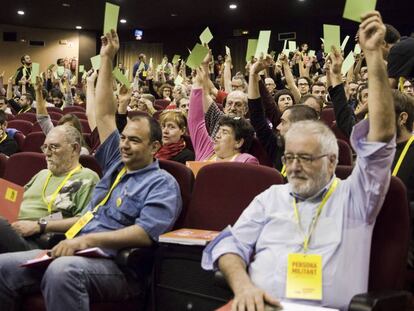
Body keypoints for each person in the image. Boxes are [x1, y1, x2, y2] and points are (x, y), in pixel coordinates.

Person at [202, 11, 396, 310]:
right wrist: (242, 287)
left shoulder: (357, 196)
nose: (293, 166)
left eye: (305, 158)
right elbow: (228, 245)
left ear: (332, 162)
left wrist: (373, 59)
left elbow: (381, 137)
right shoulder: (271, 197)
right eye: (290, 156)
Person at [0, 29, 182, 310]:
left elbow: (145, 233)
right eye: (123, 138)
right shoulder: (115, 167)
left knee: (63, 272)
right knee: (2, 266)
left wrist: (87, 240)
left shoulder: (163, 183)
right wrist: (107, 58)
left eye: (134, 140)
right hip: (76, 249)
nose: (124, 144)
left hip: (117, 267)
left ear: (155, 147)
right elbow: (107, 114)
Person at [0, 124, 99, 253]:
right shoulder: (42, 174)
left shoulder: (87, 178)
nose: (46, 153)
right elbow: (14, 201)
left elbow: (84, 220)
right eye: (45, 147)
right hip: (10, 227)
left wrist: (38, 226)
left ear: (74, 149)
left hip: (36, 240)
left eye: (54, 147)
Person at [189, 65, 258, 164]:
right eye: (218, 131)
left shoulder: (245, 160)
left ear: (238, 142)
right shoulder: (206, 149)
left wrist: (253, 74)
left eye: (224, 132)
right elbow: (195, 121)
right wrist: (197, 82)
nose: (217, 136)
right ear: (224, 107)